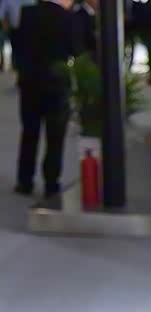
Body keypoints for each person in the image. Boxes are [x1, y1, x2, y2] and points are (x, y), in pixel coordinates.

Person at [13, 0, 77, 197]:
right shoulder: (68, 18)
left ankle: (25, 181)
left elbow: (17, 43)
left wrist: (22, 68)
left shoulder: (27, 13)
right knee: (55, 136)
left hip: (30, 81)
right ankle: (51, 182)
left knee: (29, 132)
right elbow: (75, 49)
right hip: (56, 83)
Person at [0, 0, 35, 71]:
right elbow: (2, 16)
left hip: (27, 29)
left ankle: (20, 64)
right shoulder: (7, 1)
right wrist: (6, 28)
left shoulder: (31, 1)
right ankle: (4, 63)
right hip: (12, 28)